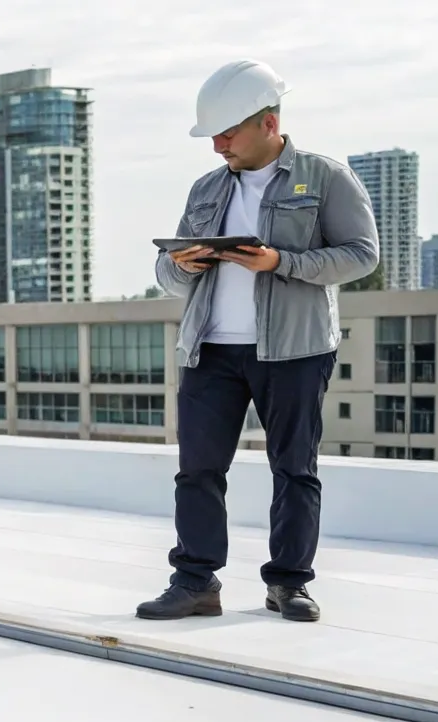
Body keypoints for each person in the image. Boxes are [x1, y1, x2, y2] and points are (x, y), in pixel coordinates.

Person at [137, 59, 378, 623]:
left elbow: (362, 254)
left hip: (293, 351)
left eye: (227, 133)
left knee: (294, 469)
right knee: (197, 471)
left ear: (268, 123)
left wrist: (280, 262)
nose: (217, 145)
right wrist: (184, 265)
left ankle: (288, 584)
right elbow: (167, 275)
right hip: (209, 350)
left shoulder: (324, 177)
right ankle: (195, 582)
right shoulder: (206, 188)